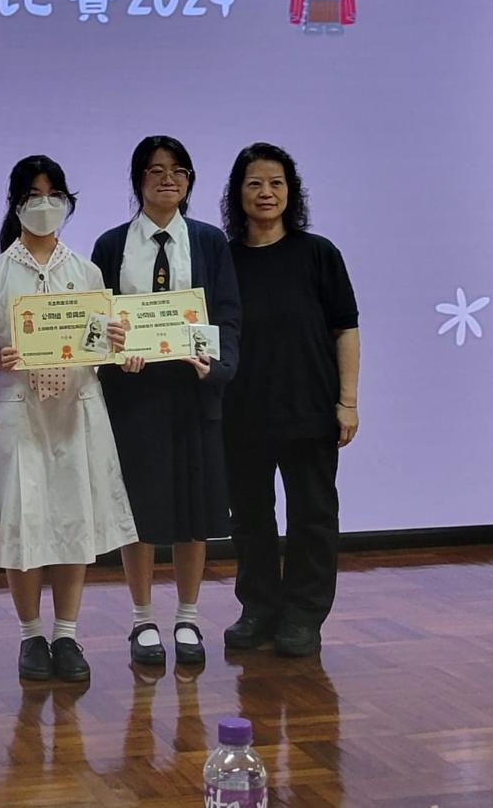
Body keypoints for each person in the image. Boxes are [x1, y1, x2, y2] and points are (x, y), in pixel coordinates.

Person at [0, 155, 137, 683]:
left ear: (66, 201)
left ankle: (66, 634)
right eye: (33, 195)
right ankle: (30, 636)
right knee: (24, 521)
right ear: (15, 203)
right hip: (21, 410)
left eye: (52, 195)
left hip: (77, 408)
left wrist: (116, 342)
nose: (44, 205)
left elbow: (100, 348)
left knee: (72, 516)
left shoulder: (86, 271)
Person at [92, 136, 241, 669]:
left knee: (192, 509)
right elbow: (96, 324)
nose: (168, 179)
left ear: (189, 180)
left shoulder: (209, 241)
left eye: (178, 170)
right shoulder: (112, 244)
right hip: (133, 397)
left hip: (192, 393)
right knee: (137, 512)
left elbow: (228, 314)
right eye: (155, 171)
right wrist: (114, 354)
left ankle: (188, 617)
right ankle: (141, 619)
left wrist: (216, 366)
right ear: (138, 181)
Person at [220, 143, 359, 658]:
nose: (266, 193)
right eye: (255, 183)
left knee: (313, 517)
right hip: (241, 412)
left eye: (276, 183)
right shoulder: (223, 259)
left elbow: (345, 329)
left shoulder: (318, 253)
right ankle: (258, 609)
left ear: (291, 192)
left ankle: (304, 615)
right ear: (238, 193)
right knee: (250, 518)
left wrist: (348, 401)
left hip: (310, 410)